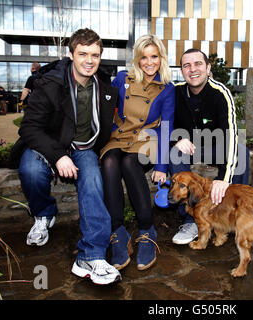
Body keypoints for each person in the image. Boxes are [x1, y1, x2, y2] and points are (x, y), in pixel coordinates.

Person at [11, 28, 121, 285]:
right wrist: (58, 156)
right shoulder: (49, 83)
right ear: (71, 54)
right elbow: (29, 128)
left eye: (95, 54)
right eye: (83, 53)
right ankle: (44, 214)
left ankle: (90, 256)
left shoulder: (104, 87)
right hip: (49, 144)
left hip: (84, 149)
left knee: (93, 179)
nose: (89, 60)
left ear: (100, 56)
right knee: (31, 171)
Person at [100, 34, 175, 271]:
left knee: (130, 163)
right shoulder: (122, 78)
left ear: (161, 58)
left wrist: (162, 167)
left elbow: (166, 127)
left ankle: (146, 230)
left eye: (154, 56)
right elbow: (105, 108)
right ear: (137, 59)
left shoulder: (166, 88)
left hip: (147, 136)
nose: (149, 62)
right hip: (120, 134)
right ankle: (118, 232)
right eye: (144, 57)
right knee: (110, 161)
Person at [169, 48, 250, 245]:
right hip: (189, 148)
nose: (193, 69)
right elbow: (162, 122)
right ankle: (190, 221)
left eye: (198, 64)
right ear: (181, 70)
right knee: (175, 152)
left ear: (208, 67)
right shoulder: (175, 91)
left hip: (216, 148)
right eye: (187, 65)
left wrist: (224, 180)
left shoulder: (221, 93)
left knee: (241, 152)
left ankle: (234, 214)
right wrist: (175, 139)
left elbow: (232, 136)